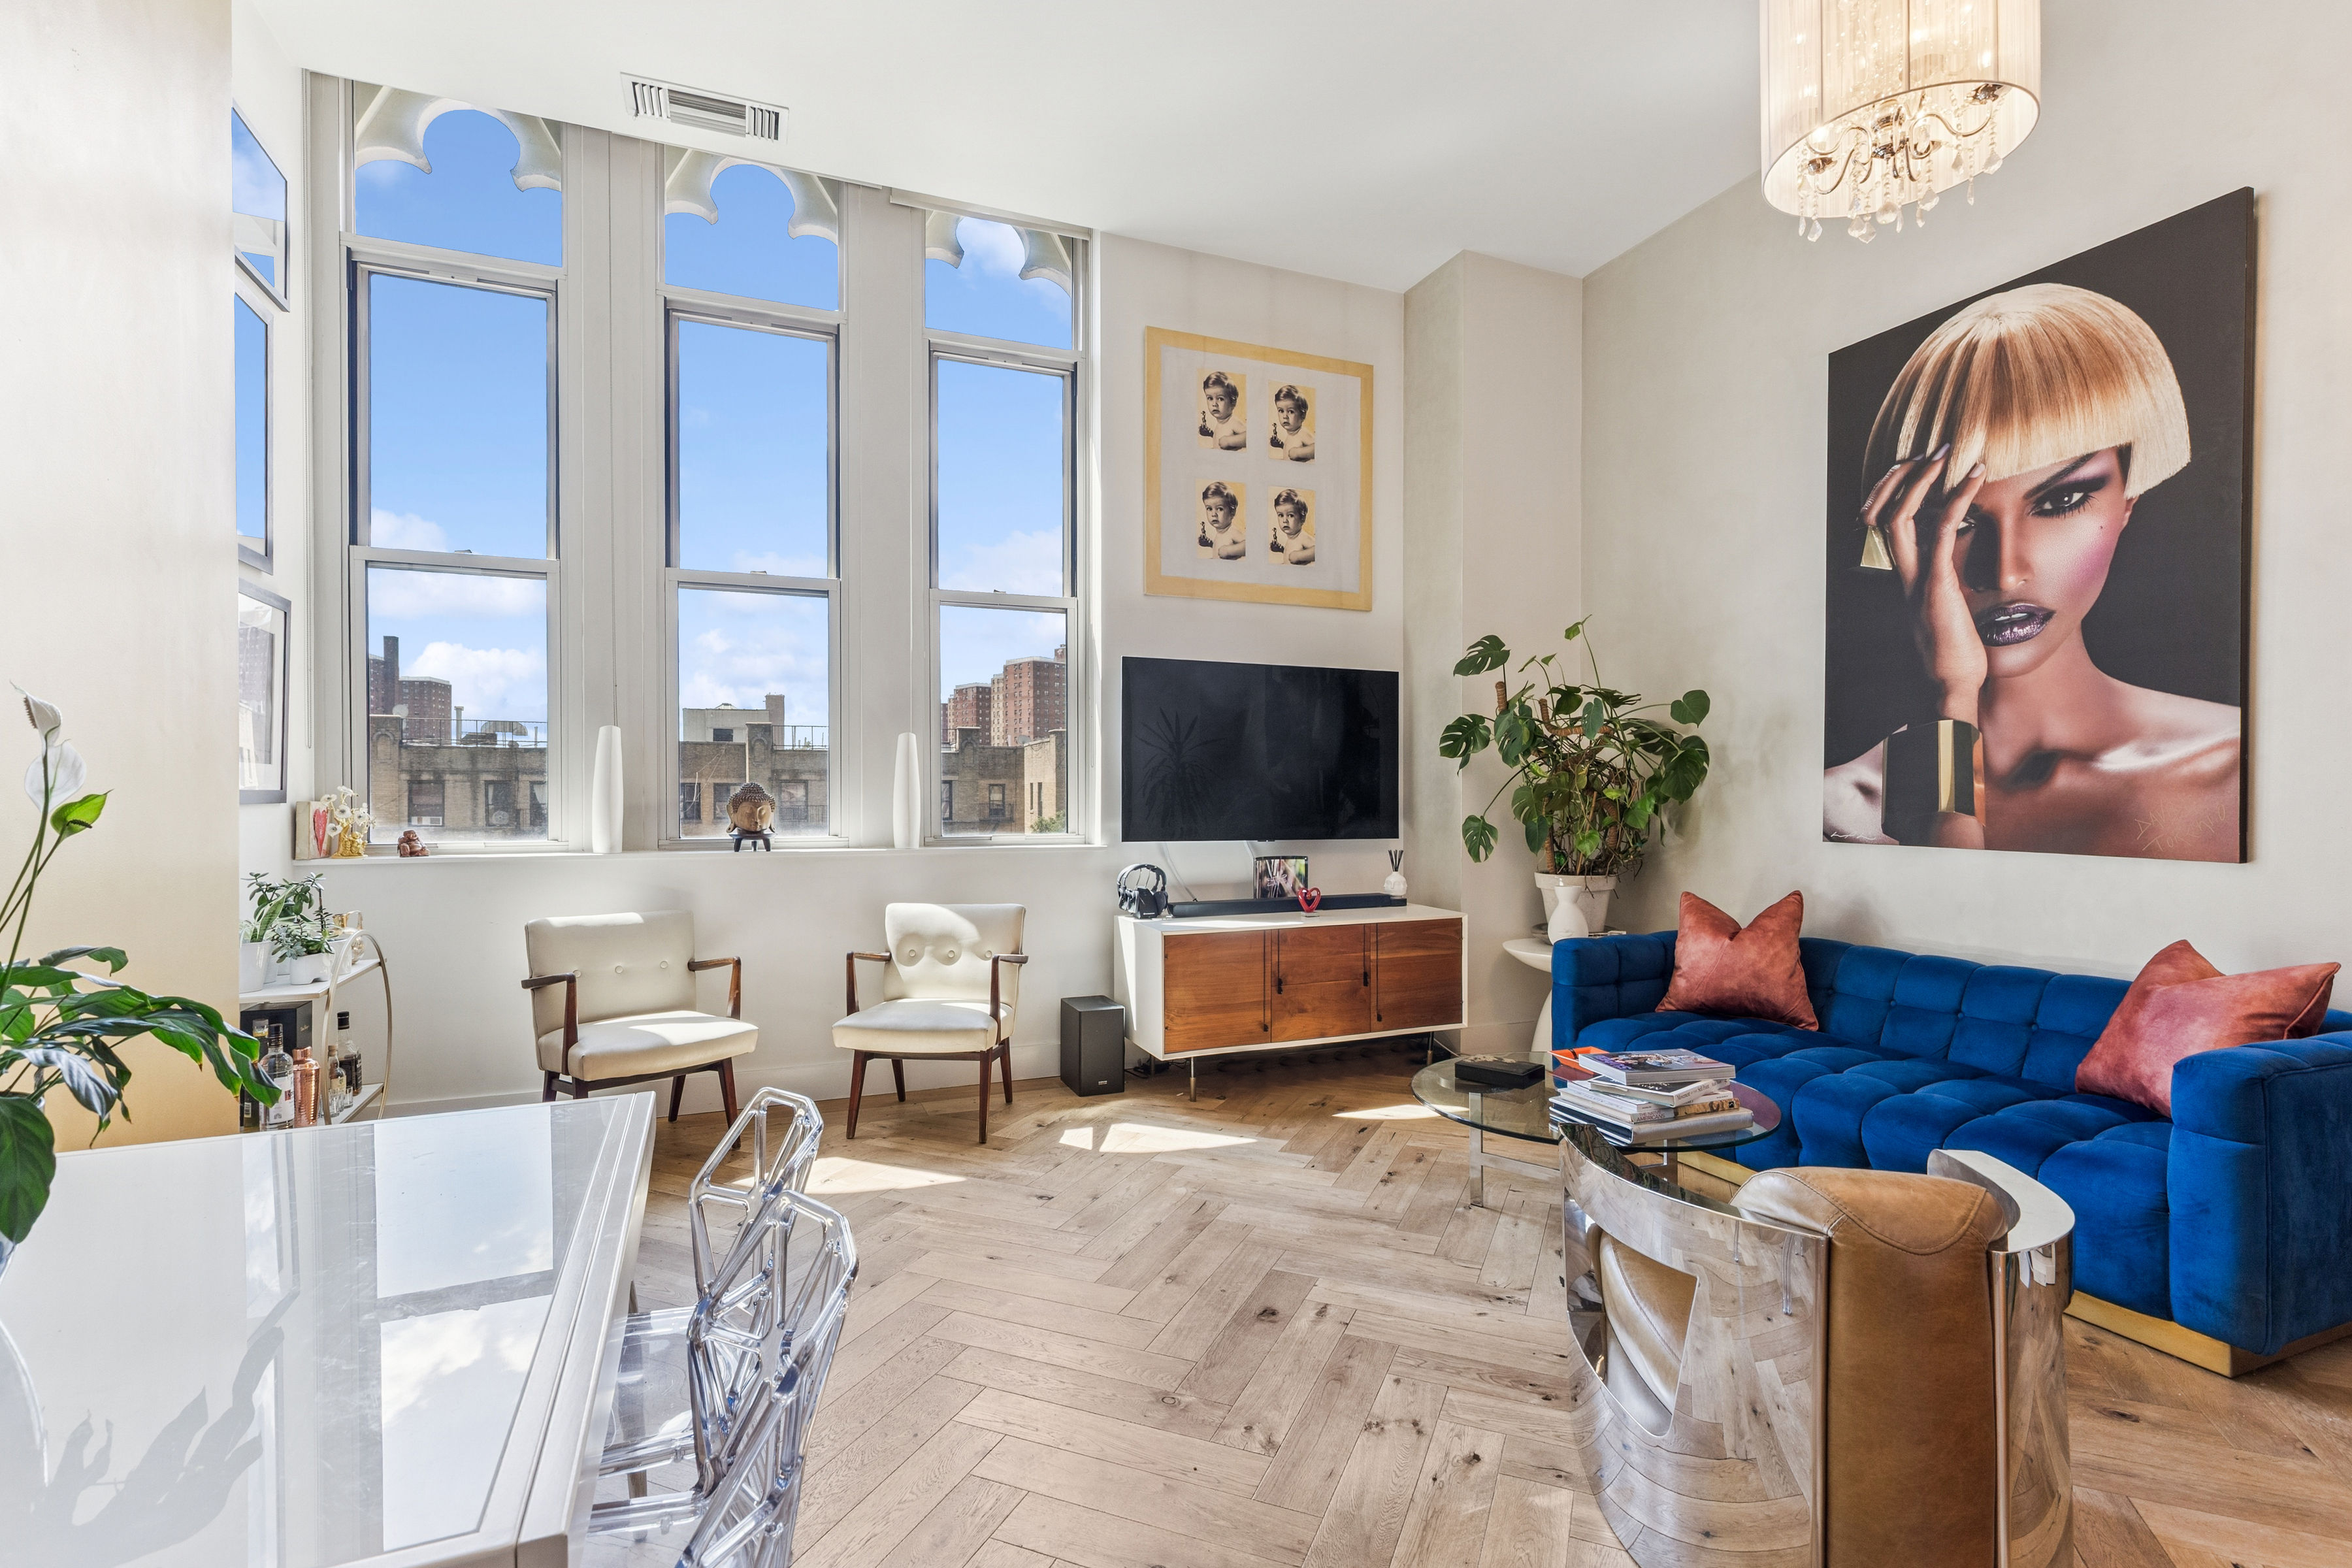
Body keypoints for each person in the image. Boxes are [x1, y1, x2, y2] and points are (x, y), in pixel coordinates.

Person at [1822, 283, 2240, 860]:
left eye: (2060, 502)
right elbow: (1949, 921)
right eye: (1957, 521)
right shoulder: (1845, 805)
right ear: (1903, 537)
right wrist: (1955, 694)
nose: (2006, 571)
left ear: (2128, 503)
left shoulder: (2238, 771)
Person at [1198, 370, 1247, 451]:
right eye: (1210, 398)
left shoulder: (1233, 422)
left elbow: (1250, 437)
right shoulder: (1220, 423)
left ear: (1233, 402)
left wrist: (1229, 441)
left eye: (1220, 399)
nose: (1214, 404)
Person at [1198, 482, 1245, 560]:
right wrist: (1210, 544)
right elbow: (1221, 549)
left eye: (1220, 509)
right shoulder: (1221, 533)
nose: (1214, 514)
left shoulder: (1232, 532)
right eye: (1209, 509)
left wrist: (1229, 551)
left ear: (1232, 512)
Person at [1269, 489, 1316, 565]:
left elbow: (1319, 551)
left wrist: (1299, 556)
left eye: (1291, 515)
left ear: (1302, 519)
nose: (1285, 520)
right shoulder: (1292, 538)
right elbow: (1292, 552)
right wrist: (1281, 550)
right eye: (1281, 515)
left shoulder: (1303, 538)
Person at [1269, 384, 1315, 462]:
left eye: (1291, 411)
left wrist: (1299, 453)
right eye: (1281, 411)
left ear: (1302, 415)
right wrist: (1281, 446)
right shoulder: (1292, 434)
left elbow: (1318, 449)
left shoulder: (1302, 433)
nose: (1285, 416)